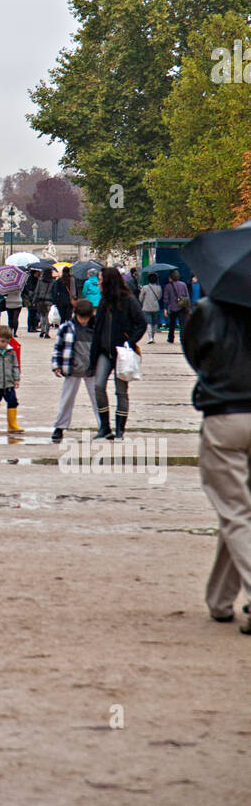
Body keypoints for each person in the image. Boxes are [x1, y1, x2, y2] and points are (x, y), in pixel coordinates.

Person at [182, 292, 251, 631]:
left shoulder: (210, 310)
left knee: (235, 511)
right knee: (239, 512)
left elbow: (194, 355)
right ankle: (221, 600)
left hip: (226, 411)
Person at [87, 266, 146, 439]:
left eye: (100, 280)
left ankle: (120, 429)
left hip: (122, 352)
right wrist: (92, 359)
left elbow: (141, 323)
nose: (98, 283)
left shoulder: (128, 300)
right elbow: (98, 332)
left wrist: (130, 341)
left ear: (108, 282)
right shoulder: (104, 302)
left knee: (121, 391)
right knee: (98, 386)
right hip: (105, 352)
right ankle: (105, 427)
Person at [50, 297, 99, 442]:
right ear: (75, 314)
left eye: (86, 317)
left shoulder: (97, 328)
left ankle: (104, 427)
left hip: (92, 369)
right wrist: (56, 365)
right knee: (66, 399)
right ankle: (60, 427)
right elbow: (58, 348)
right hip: (71, 368)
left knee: (98, 400)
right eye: (80, 317)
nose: (83, 320)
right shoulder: (66, 328)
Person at [163, 269, 191, 344]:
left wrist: (165, 308)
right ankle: (182, 338)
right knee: (182, 324)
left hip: (172, 307)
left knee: (172, 324)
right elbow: (187, 295)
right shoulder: (183, 284)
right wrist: (188, 306)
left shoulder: (168, 286)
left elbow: (166, 298)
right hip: (182, 306)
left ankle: (171, 338)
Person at [139, 273, 163, 344]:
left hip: (146, 307)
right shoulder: (159, 287)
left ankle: (150, 338)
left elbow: (140, 298)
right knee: (154, 323)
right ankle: (153, 336)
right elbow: (159, 297)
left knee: (149, 322)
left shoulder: (144, 287)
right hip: (155, 307)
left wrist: (144, 301)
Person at [34, 268, 55, 338]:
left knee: (42, 316)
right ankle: (47, 332)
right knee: (47, 316)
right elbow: (54, 292)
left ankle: (42, 330)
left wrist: (34, 300)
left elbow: (37, 290)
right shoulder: (53, 281)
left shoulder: (40, 280)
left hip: (41, 300)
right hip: (49, 300)